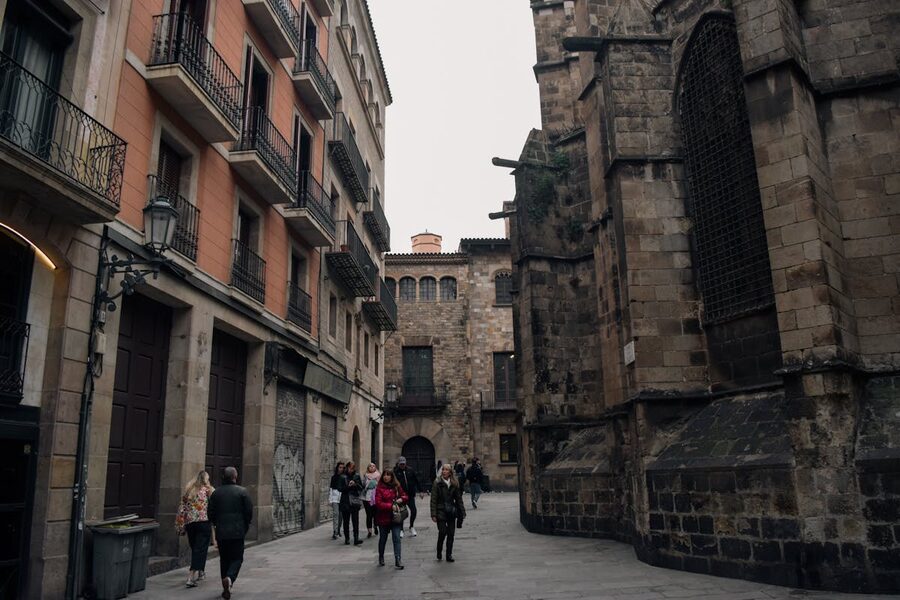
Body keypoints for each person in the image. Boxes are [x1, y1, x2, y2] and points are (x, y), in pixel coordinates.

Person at [208, 467, 252, 600]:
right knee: (237, 558)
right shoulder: (242, 492)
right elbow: (249, 512)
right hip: (237, 531)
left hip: (221, 532)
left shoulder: (216, 493)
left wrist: (217, 524)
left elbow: (210, 513)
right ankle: (230, 579)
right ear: (235, 476)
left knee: (224, 559)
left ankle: (225, 586)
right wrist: (244, 526)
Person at [175, 471, 215, 587]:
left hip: (190, 523)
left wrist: (181, 523)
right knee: (200, 548)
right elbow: (213, 506)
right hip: (203, 522)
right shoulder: (208, 490)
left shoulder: (189, 490)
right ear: (205, 479)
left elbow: (182, 506)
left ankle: (201, 571)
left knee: (195, 548)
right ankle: (191, 576)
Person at [431, 463, 466, 562]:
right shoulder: (437, 482)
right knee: (442, 532)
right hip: (440, 510)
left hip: (451, 511)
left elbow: (459, 499)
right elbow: (433, 499)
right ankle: (439, 551)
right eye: (443, 470)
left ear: (450, 472)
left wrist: (462, 512)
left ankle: (449, 554)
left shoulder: (454, 483)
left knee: (451, 534)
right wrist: (433, 514)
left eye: (446, 470)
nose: (444, 471)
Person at [374, 468, 408, 569]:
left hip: (395, 517)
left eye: (388, 475)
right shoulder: (379, 488)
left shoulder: (397, 486)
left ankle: (398, 559)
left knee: (396, 538)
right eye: (384, 475)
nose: (386, 477)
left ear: (392, 476)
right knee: (383, 539)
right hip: (383, 517)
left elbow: (405, 496)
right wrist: (390, 506)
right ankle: (381, 556)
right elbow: (378, 503)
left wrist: (402, 499)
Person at [339, 460, 364, 545]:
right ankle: (347, 538)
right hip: (345, 501)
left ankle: (356, 538)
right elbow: (340, 489)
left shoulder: (357, 476)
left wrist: (355, 484)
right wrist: (348, 486)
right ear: (347, 468)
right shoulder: (342, 477)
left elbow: (361, 487)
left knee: (355, 521)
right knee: (346, 521)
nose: (351, 470)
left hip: (354, 501)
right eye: (349, 468)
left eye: (352, 468)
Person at [395, 456, 421, 537]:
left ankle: (411, 526)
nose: (402, 465)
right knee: (402, 513)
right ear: (399, 464)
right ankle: (401, 529)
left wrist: (421, 490)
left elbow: (416, 480)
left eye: (403, 463)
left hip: (410, 495)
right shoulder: (396, 472)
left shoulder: (410, 470)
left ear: (405, 463)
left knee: (414, 511)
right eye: (401, 464)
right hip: (401, 496)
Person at [363, 462, 380, 538]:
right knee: (369, 515)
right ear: (368, 468)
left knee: (376, 514)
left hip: (376, 497)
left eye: (373, 466)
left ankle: (375, 526)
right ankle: (369, 531)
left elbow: (380, 485)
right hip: (367, 497)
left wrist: (373, 482)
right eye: (370, 466)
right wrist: (370, 483)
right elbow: (364, 485)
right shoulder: (366, 475)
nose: (372, 467)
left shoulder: (378, 475)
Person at [328, 462, 345, 540]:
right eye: (340, 467)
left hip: (342, 499)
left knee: (341, 516)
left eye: (342, 467)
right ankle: (335, 531)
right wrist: (330, 499)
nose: (341, 469)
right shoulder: (333, 477)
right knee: (336, 514)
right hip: (335, 498)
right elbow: (331, 489)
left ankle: (338, 530)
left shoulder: (344, 477)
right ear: (337, 468)